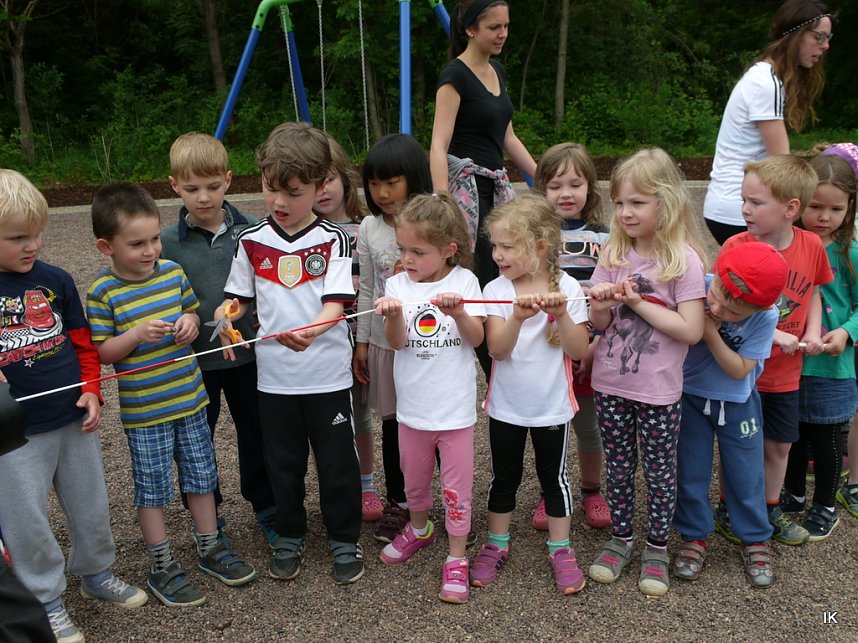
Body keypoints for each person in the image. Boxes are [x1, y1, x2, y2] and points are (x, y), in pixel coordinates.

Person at [86, 183, 256, 609]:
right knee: (153, 488)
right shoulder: (102, 293)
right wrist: (136, 335)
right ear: (106, 247)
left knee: (203, 475)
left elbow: (193, 316)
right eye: (137, 244)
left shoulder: (172, 273)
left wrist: (188, 323)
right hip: (147, 412)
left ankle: (210, 547)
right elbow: (104, 352)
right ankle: (161, 563)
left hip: (191, 399)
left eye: (155, 240)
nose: (150, 251)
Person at [0, 170, 147, 642]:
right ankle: (44, 599)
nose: (33, 245)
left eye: (37, 233)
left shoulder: (57, 281)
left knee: (91, 506)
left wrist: (91, 390)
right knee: (26, 522)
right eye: (18, 238)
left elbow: (84, 346)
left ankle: (96, 574)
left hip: (73, 418)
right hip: (15, 436)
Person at [215, 122, 364, 585]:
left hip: (327, 376)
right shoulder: (251, 239)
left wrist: (312, 331)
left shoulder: (335, 238)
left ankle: (344, 537)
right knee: (283, 462)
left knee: (337, 462)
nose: (279, 202)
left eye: (293, 192)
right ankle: (289, 533)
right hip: (274, 378)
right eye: (269, 188)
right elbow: (239, 299)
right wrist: (226, 318)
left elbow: (336, 305)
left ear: (322, 187)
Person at [585, 148, 706, 598]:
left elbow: (691, 330)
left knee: (658, 471)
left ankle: (656, 545)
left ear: (667, 203)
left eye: (638, 202)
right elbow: (600, 326)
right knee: (617, 467)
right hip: (611, 384)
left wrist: (636, 302)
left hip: (658, 390)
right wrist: (600, 305)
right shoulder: (613, 252)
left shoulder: (684, 261)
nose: (626, 212)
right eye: (619, 202)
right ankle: (621, 539)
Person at [160, 131, 277, 545]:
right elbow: (159, 294)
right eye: (191, 189)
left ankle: (266, 505)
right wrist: (180, 319)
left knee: (256, 432)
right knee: (196, 442)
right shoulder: (166, 243)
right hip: (193, 363)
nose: (203, 197)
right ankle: (207, 515)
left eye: (212, 186)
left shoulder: (253, 232)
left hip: (247, 356)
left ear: (228, 180)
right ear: (174, 186)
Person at [470, 193, 590, 595]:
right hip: (506, 407)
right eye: (495, 245)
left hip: (552, 409)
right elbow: (496, 350)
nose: (498, 254)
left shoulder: (569, 286)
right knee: (504, 477)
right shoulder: (494, 288)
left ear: (539, 246)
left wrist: (561, 314)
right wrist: (518, 318)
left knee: (554, 480)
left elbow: (578, 351)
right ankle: (496, 543)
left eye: (507, 246)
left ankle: (561, 549)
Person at [375, 192, 485, 604]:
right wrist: (392, 315)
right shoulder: (396, 285)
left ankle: (457, 557)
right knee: (414, 481)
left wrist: (459, 313)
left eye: (418, 251)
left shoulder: (466, 282)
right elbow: (398, 343)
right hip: (413, 411)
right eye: (402, 248)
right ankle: (420, 528)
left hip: (454, 412)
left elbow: (477, 340)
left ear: (448, 250)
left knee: (456, 488)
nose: (407, 258)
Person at [718, 155, 832, 546]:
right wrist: (772, 337)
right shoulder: (735, 246)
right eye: (744, 200)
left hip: (786, 373)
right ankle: (727, 507)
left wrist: (814, 330)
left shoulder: (812, 245)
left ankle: (769, 509)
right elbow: (720, 311)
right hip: (741, 372)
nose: (745, 209)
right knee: (737, 442)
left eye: (756, 202)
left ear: (790, 209)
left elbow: (814, 291)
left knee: (779, 443)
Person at [429, 0, 536, 377]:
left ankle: (510, 357)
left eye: (506, 25)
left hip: (497, 191)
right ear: (471, 29)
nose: (503, 33)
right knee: (481, 278)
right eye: (494, 27)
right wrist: (442, 205)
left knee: (510, 270)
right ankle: (494, 370)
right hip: (465, 194)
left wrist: (542, 177)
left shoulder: (498, 70)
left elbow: (506, 135)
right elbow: (438, 146)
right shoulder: (453, 77)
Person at [673, 243, 787, 589]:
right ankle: (694, 536)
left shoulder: (766, 316)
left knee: (745, 473)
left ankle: (753, 538)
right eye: (716, 295)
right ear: (716, 274)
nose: (717, 308)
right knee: (690, 469)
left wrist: (709, 333)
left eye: (734, 312)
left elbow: (739, 370)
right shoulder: (698, 285)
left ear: (760, 307)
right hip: (690, 398)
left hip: (738, 403)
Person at [355, 133, 433, 542]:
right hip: (386, 343)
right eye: (374, 183)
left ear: (414, 178)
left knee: (432, 424)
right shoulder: (368, 227)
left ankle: (438, 500)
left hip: (430, 346)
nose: (382, 193)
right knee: (393, 425)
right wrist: (363, 343)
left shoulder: (435, 219)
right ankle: (399, 502)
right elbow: (369, 289)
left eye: (392, 182)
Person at [704, 0, 833, 244]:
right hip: (740, 209)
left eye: (828, 37)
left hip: (736, 205)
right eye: (819, 37)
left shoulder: (765, 77)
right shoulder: (767, 83)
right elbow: (782, 165)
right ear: (795, 35)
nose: (825, 45)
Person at [529, 142, 611, 531]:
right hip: (546, 352)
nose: (565, 194)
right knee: (551, 427)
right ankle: (551, 491)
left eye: (575, 184)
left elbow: (607, 298)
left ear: (589, 188)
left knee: (589, 429)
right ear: (540, 190)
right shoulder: (533, 240)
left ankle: (592, 491)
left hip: (593, 348)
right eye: (555, 185)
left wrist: (592, 347)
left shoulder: (605, 238)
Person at [781, 146, 858, 539]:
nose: (825, 217)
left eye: (836, 209)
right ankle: (792, 492)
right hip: (789, 362)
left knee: (826, 437)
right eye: (816, 207)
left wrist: (846, 332)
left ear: (850, 209)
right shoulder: (787, 246)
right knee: (791, 434)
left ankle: (825, 503)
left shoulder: (851, 254)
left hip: (834, 365)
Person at [313, 132, 380, 522]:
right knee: (329, 420)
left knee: (360, 415)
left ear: (344, 180)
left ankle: (367, 484)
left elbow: (372, 284)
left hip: (360, 337)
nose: (323, 190)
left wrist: (366, 339)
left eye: (329, 180)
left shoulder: (363, 229)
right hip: (323, 341)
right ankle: (337, 484)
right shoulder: (306, 237)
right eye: (314, 182)